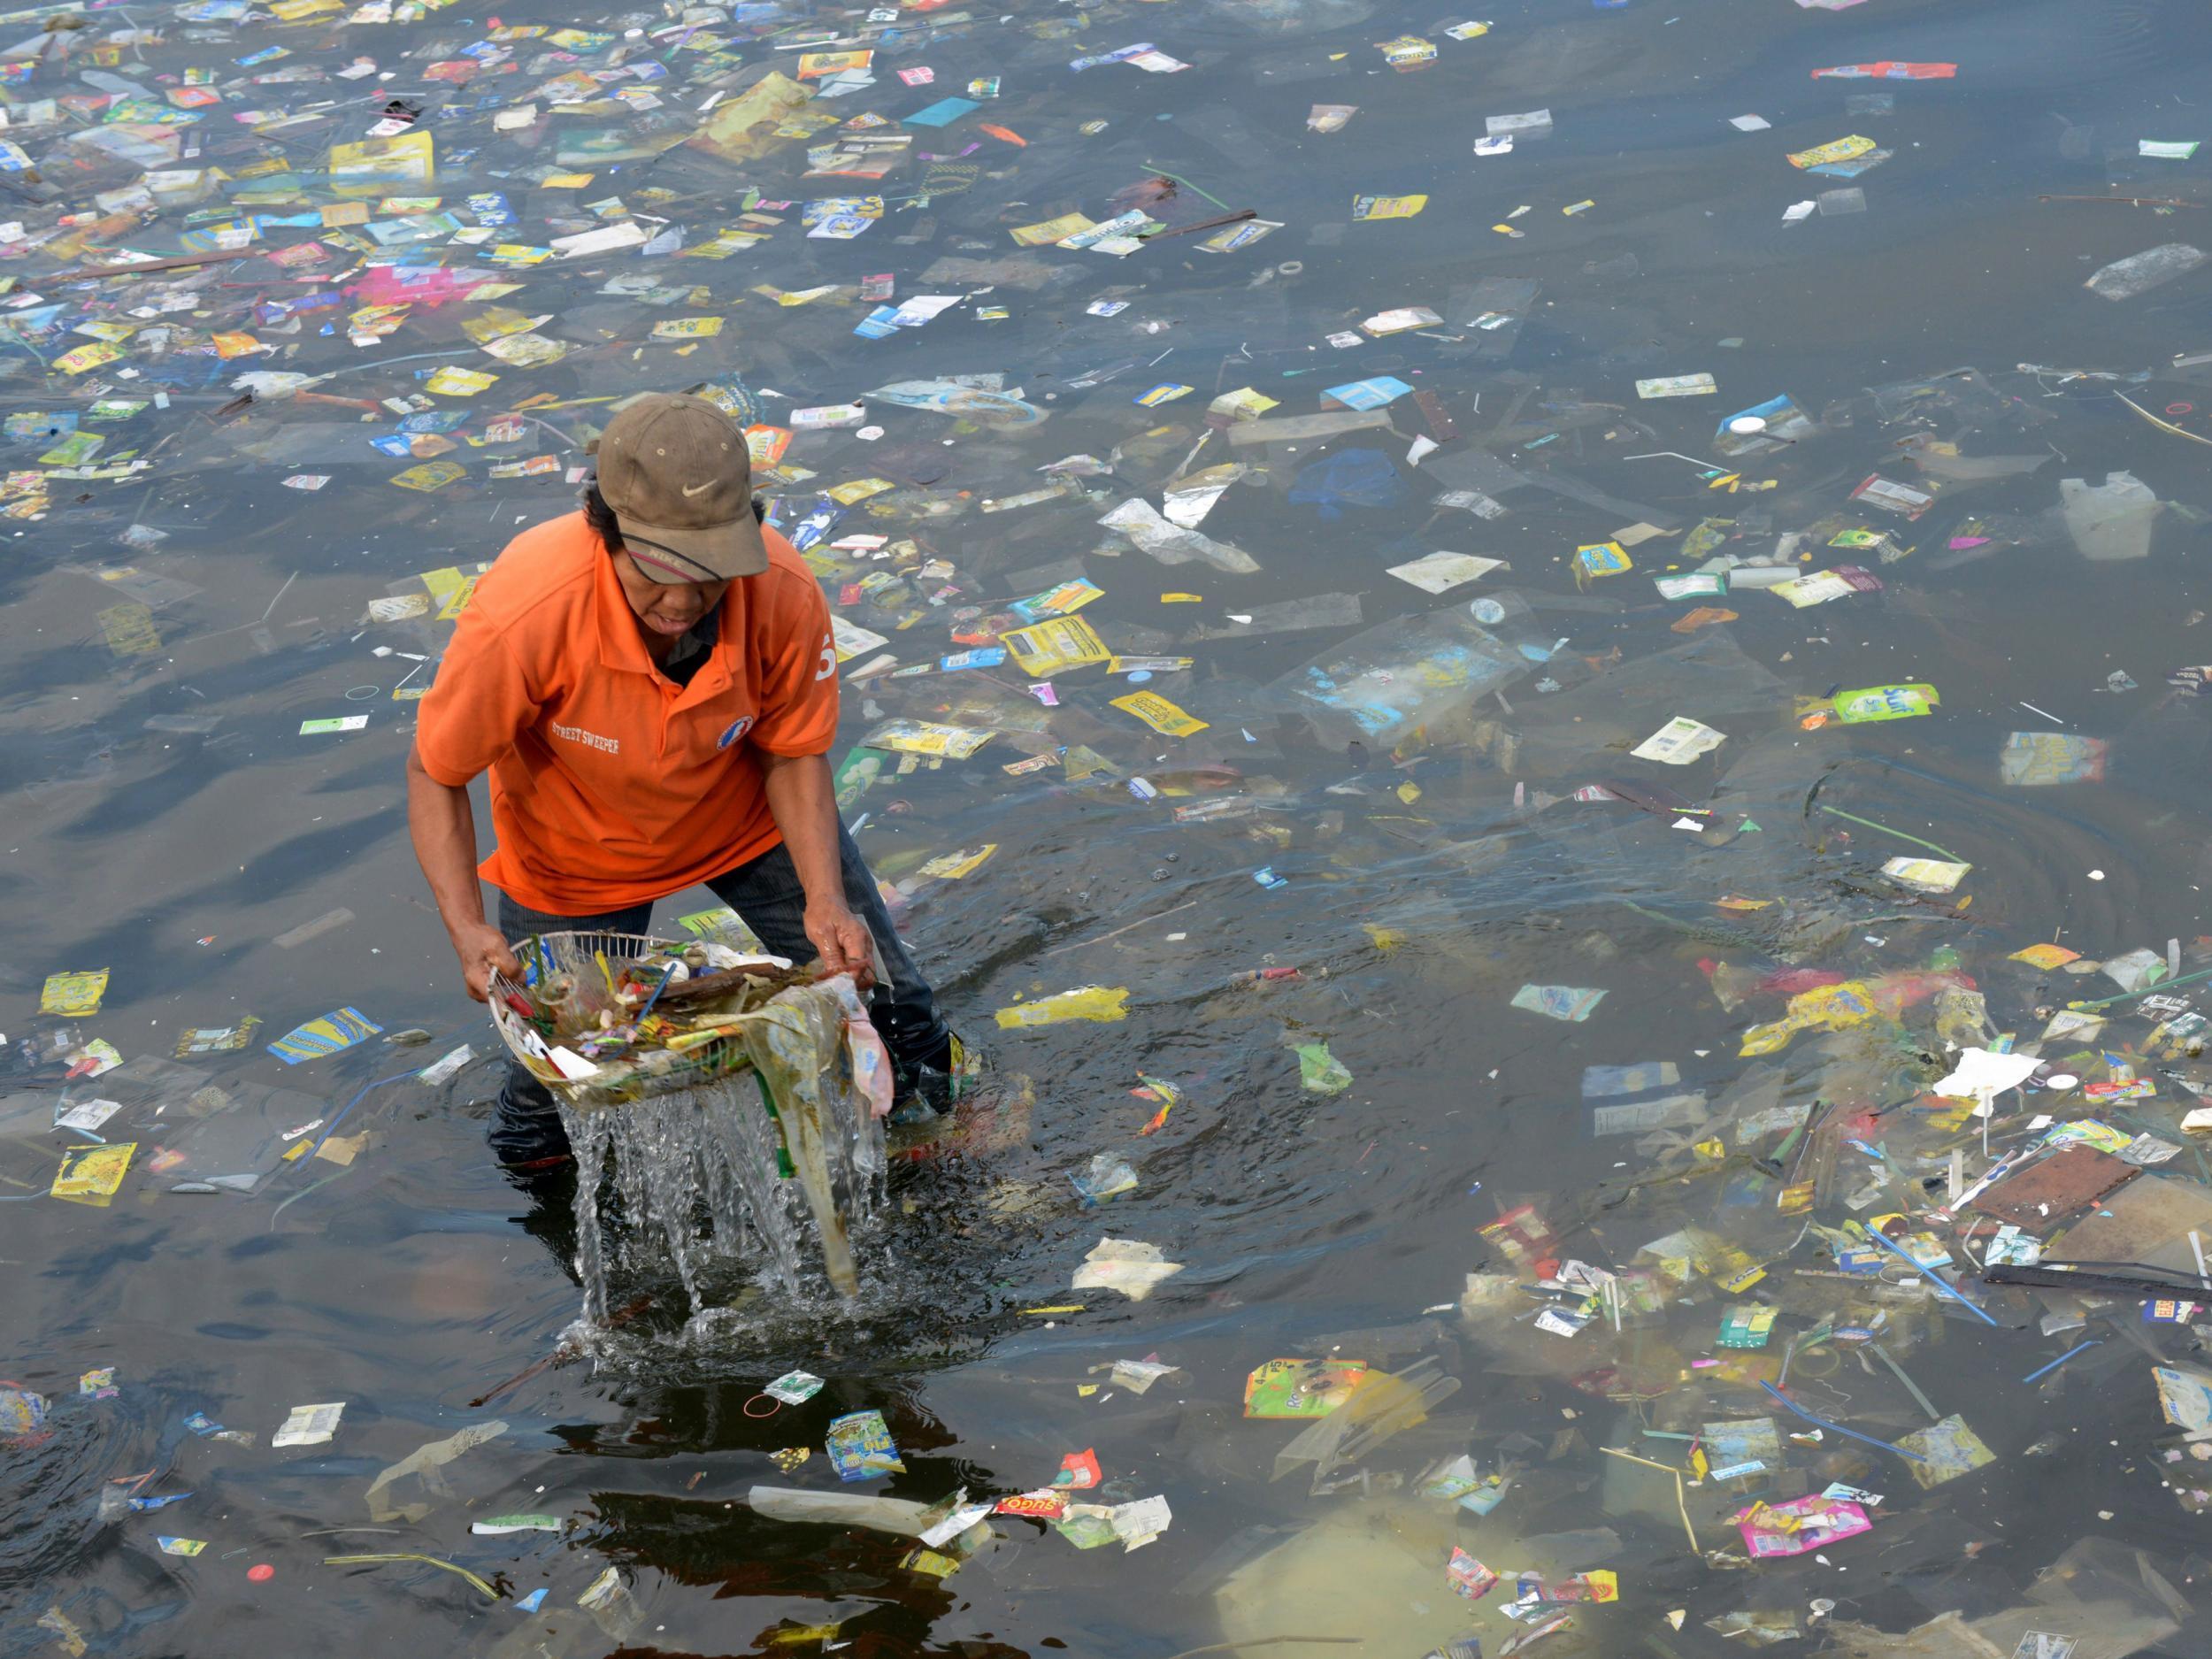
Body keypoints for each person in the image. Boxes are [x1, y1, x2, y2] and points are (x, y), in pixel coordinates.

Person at [406, 391, 962, 1175]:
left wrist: (824, 900)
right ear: (606, 531)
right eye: (657, 571)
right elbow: (437, 772)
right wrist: (466, 928)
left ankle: (936, 1161)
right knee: (559, 1084)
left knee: (892, 1005)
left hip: (745, 818)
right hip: (576, 854)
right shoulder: (528, 609)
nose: (680, 601)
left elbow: (794, 753)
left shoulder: (784, 591)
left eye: (708, 575)